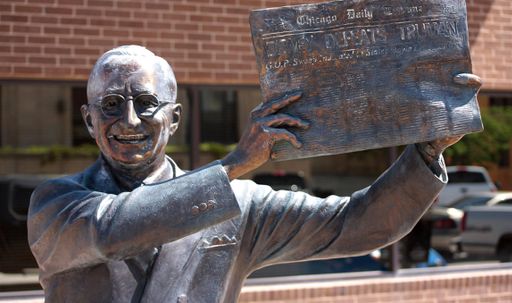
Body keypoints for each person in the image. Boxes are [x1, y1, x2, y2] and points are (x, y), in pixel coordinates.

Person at [27, 45, 473, 303]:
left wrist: (426, 150)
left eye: (146, 104)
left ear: (175, 118)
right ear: (88, 121)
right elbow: (112, 231)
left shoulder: (240, 206)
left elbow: (357, 223)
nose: (129, 121)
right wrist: (235, 164)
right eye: (110, 106)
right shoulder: (56, 205)